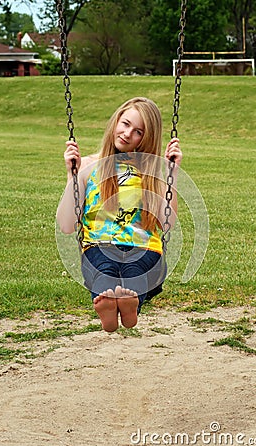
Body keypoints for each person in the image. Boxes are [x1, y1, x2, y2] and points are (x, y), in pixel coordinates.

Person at [57, 97, 182, 332]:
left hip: (144, 248)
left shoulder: (152, 173)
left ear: (147, 138)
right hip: (99, 245)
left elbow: (167, 224)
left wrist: (172, 174)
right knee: (104, 269)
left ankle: (129, 305)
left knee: (136, 271)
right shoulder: (87, 166)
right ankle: (111, 305)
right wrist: (71, 177)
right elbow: (66, 225)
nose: (127, 134)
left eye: (138, 132)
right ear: (116, 120)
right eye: (125, 124)